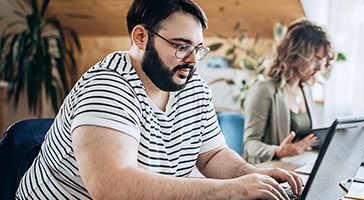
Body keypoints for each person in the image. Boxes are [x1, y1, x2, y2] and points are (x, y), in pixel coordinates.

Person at [15, 0, 303, 199]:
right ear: (141, 37)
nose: (192, 60)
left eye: (198, 49)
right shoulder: (108, 86)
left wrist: (256, 178)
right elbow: (112, 188)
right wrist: (232, 191)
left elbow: (213, 155)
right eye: (181, 47)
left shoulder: (192, 85)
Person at [243, 20, 335, 164]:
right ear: (297, 54)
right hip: (271, 170)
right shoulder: (264, 89)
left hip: (299, 165)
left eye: (322, 61)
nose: (319, 68)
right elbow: (250, 144)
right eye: (316, 59)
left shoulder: (306, 90)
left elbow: (307, 141)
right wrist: (278, 151)